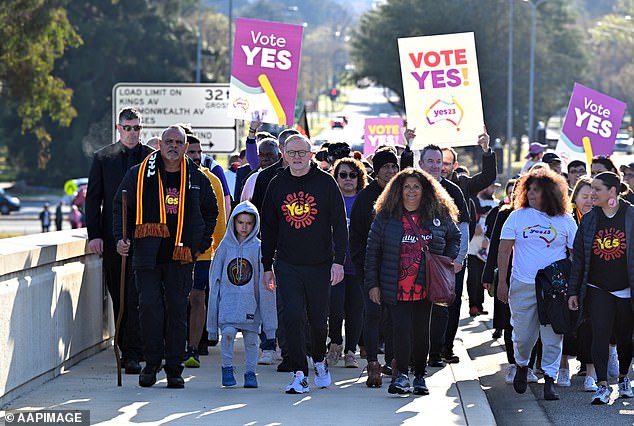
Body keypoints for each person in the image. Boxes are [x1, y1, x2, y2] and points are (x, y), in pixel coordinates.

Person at [113, 125, 218, 389]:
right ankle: (151, 365)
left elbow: (211, 211)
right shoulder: (138, 174)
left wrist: (199, 246)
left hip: (181, 257)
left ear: (185, 146)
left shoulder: (196, 177)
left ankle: (174, 369)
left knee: (177, 313)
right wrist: (121, 239)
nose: (173, 146)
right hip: (147, 256)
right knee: (149, 310)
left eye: (178, 142)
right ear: (159, 144)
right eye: (168, 141)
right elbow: (119, 208)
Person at [260, 134, 348, 394]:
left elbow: (339, 225)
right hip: (287, 264)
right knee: (293, 316)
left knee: (319, 320)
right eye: (292, 152)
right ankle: (299, 372)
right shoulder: (276, 184)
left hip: (320, 264)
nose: (297, 157)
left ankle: (319, 360)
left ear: (310, 155)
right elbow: (269, 228)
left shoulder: (326, 182)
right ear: (284, 155)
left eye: (302, 152)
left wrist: (338, 261)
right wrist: (267, 266)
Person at [365, 168, 460, 395]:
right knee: (400, 331)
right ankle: (401, 375)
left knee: (421, 332)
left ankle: (419, 376)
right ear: (398, 190)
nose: (411, 191)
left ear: (425, 189)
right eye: (406, 186)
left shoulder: (438, 214)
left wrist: (447, 259)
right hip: (395, 286)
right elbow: (372, 252)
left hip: (426, 285)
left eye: (416, 186)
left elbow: (454, 236)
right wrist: (373, 284)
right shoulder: (386, 217)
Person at [497, 168, 577, 401]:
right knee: (522, 335)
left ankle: (550, 380)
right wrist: (502, 282)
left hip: (553, 289)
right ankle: (522, 365)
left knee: (553, 334)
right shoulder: (517, 216)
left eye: (537, 190)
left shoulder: (565, 220)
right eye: (529, 190)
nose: (531, 194)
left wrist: (565, 280)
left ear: (550, 192)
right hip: (522, 283)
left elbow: (575, 255)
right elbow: (504, 250)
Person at [85, 107, 154, 375]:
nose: (133, 133)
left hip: (146, 236)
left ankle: (138, 351)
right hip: (113, 237)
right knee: (120, 294)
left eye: (137, 128)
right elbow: (93, 199)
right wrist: (95, 236)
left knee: (142, 294)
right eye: (128, 128)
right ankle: (127, 349)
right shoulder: (103, 158)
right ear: (118, 128)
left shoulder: (151, 157)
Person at [568, 172, 634, 404]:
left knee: (626, 337)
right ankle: (603, 385)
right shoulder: (589, 219)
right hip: (597, 287)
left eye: (597, 189)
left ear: (612, 192)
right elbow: (579, 259)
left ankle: (624, 377)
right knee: (600, 334)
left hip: (626, 288)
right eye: (591, 189)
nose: (592, 194)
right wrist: (573, 291)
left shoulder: (630, 214)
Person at [207, 201, 277, 388]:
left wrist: (269, 326)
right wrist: (212, 324)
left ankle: (250, 373)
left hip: (250, 305)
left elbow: (266, 286)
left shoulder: (258, 248)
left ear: (255, 225)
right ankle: (227, 368)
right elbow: (214, 282)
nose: (244, 227)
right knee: (228, 334)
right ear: (233, 223)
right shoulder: (224, 247)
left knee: (252, 341)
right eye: (240, 222)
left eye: (249, 223)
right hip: (228, 305)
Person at [349, 147, 400, 387]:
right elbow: (356, 236)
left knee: (394, 317)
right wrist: (363, 266)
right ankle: (372, 363)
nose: (390, 172)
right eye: (385, 167)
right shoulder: (365, 197)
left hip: (398, 267)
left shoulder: (404, 194)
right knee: (373, 314)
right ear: (377, 171)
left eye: (393, 167)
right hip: (369, 268)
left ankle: (393, 360)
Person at [416, 144, 470, 367]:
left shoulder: (453, 191)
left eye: (439, 162)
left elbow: (463, 226)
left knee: (441, 309)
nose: (436, 166)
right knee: (415, 311)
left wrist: (458, 258)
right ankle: (414, 354)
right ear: (421, 164)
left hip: (443, 262)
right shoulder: (410, 188)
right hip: (414, 262)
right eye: (431, 161)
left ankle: (437, 352)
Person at [183, 136, 227, 368]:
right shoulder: (168, 180)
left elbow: (219, 219)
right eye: (191, 152)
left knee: (198, 297)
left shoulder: (212, 180)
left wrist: (218, 251)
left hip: (203, 253)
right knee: (175, 299)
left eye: (199, 152)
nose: (197, 156)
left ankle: (193, 348)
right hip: (175, 253)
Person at [325, 157, 368, 369]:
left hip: (358, 265)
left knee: (355, 309)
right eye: (343, 174)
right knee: (334, 307)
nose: (348, 179)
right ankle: (335, 344)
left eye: (353, 175)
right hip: (334, 265)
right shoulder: (331, 199)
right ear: (336, 177)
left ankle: (351, 351)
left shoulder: (364, 201)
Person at [239, 138, 281, 203]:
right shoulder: (252, 179)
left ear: (279, 156)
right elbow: (244, 206)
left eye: (269, 155)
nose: (265, 159)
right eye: (261, 155)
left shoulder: (284, 177)